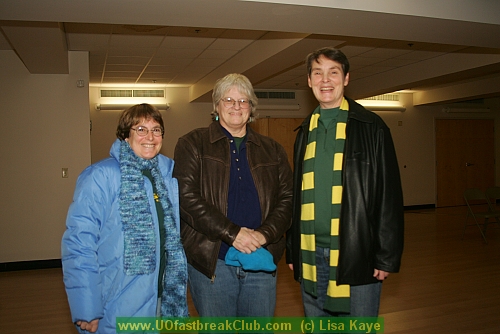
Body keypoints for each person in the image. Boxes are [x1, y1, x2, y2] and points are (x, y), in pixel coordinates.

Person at [286, 47, 404, 318]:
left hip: (358, 251)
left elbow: (389, 196)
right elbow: (297, 196)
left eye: (333, 72)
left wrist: (386, 256)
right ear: (309, 81)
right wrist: (293, 251)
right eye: (318, 73)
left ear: (346, 78)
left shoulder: (372, 127)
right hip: (311, 253)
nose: (325, 80)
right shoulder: (305, 131)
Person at [173, 73, 293, 319]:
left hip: (261, 258)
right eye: (228, 100)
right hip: (212, 262)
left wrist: (263, 235)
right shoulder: (193, 144)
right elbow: (187, 198)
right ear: (217, 106)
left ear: (252, 108)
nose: (236, 106)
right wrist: (233, 234)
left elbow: (287, 200)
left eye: (243, 101)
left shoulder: (273, 150)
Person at [61, 104, 188, 333]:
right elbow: (79, 244)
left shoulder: (167, 177)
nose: (150, 137)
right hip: (117, 302)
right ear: (126, 136)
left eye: (156, 130)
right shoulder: (101, 176)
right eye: (141, 129)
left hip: (161, 299)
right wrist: (86, 307)